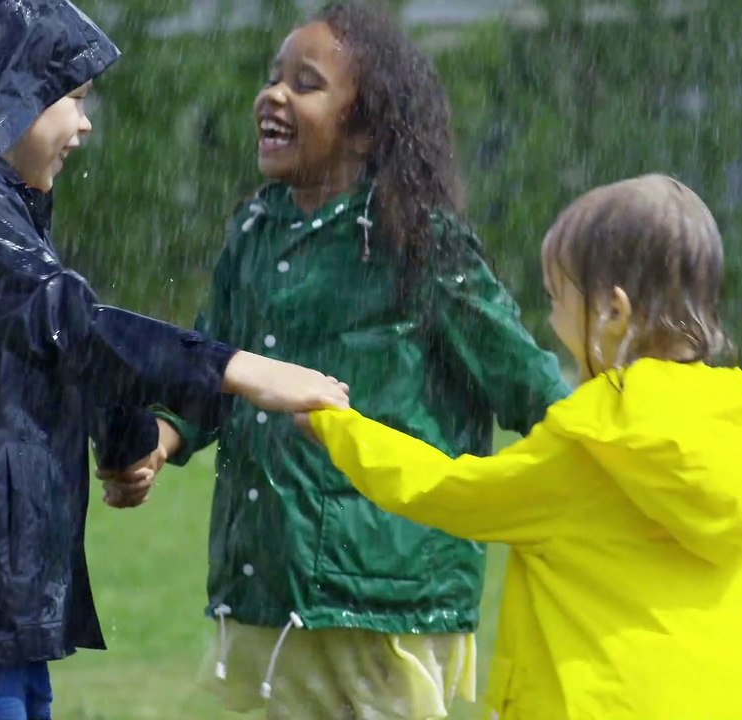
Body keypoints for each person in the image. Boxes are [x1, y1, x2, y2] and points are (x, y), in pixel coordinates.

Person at [0, 1, 347, 718]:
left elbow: (45, 341)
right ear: (3, 89)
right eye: (72, 98)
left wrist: (126, 438)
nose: (84, 124)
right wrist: (239, 368)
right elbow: (68, 322)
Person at [304, 175, 742, 720]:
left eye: (557, 300)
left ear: (612, 312)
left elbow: (443, 491)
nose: (550, 322)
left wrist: (335, 423)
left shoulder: (584, 450)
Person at [105, 2, 569, 718]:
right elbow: (212, 367)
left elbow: (530, 385)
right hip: (268, 583)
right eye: (273, 78)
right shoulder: (255, 232)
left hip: (382, 600)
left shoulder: (419, 243)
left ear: (367, 124)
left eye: (306, 83)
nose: (274, 95)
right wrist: (163, 441)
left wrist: (608, 460)